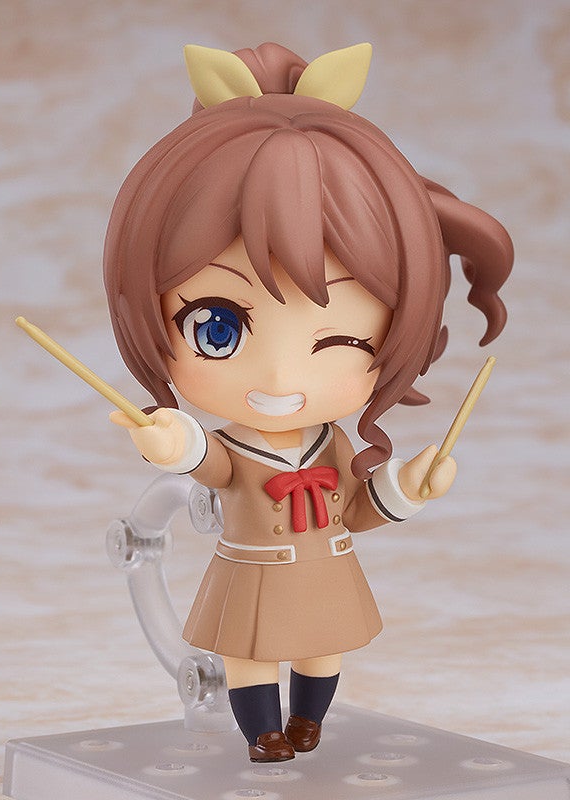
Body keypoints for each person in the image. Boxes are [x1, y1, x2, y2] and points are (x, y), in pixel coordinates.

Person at [104, 42, 513, 762]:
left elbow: (355, 506)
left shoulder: (333, 445)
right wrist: (175, 443)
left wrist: (407, 488)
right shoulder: (239, 446)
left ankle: (309, 722)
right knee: (248, 654)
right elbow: (212, 464)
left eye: (344, 339)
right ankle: (262, 731)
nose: (280, 377)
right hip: (252, 572)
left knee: (324, 648)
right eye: (217, 328)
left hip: (326, 567)